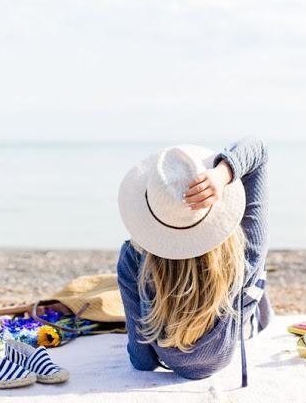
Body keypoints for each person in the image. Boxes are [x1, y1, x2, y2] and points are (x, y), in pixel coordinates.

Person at [116, 134, 273, 387]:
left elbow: (143, 361)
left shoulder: (133, 259)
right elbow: (258, 148)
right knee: (248, 258)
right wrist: (223, 175)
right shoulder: (245, 257)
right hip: (241, 329)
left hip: (166, 346)